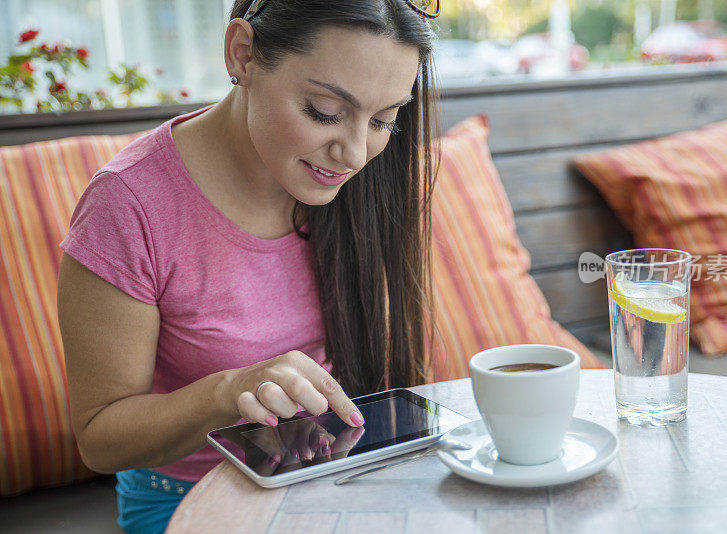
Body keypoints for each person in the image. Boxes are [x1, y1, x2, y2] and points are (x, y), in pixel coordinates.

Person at [56, 0, 441, 532]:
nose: (353, 153)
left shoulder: (366, 183)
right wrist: (229, 390)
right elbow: (100, 437)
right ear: (243, 53)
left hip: (329, 477)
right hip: (186, 498)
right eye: (324, 111)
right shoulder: (129, 204)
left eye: (382, 120)